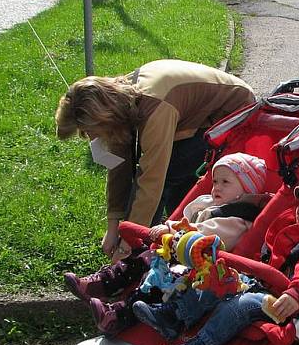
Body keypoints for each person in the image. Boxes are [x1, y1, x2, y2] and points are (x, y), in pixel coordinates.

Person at [139, 172, 299, 345]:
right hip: (263, 284)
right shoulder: (296, 229)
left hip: (282, 303)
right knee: (218, 278)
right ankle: (174, 316)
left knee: (240, 305)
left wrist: (297, 294)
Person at [54, 59, 256, 259]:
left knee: (167, 175)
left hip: (234, 113)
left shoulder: (155, 108)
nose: (90, 138)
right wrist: (113, 225)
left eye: (89, 130)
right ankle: (182, 248)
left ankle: (140, 256)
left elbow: (152, 181)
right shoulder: (120, 103)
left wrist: (128, 242)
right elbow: (118, 167)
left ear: (105, 116)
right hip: (193, 119)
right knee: (178, 190)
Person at [63, 153, 270, 335]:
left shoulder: (238, 220)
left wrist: (171, 230)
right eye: (215, 181)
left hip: (201, 268)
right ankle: (102, 283)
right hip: (179, 253)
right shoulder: (209, 204)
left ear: (246, 190)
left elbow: (207, 233)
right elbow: (186, 218)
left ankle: (117, 315)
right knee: (143, 257)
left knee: (154, 280)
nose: (217, 186)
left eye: (226, 182)